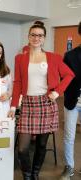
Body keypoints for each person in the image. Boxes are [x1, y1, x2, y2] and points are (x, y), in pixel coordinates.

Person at [8, 21, 74, 180]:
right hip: (28, 104)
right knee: (22, 148)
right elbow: (17, 83)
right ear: (28, 37)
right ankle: (27, 175)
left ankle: (35, 174)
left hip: (46, 104)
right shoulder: (20, 58)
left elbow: (69, 75)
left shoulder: (54, 57)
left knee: (42, 144)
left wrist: (57, 92)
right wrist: (12, 106)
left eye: (40, 35)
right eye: (33, 35)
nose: (36, 38)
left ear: (44, 38)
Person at [59, 21, 81, 180]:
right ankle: (69, 167)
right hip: (72, 100)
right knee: (68, 135)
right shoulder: (70, 55)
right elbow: (63, 78)